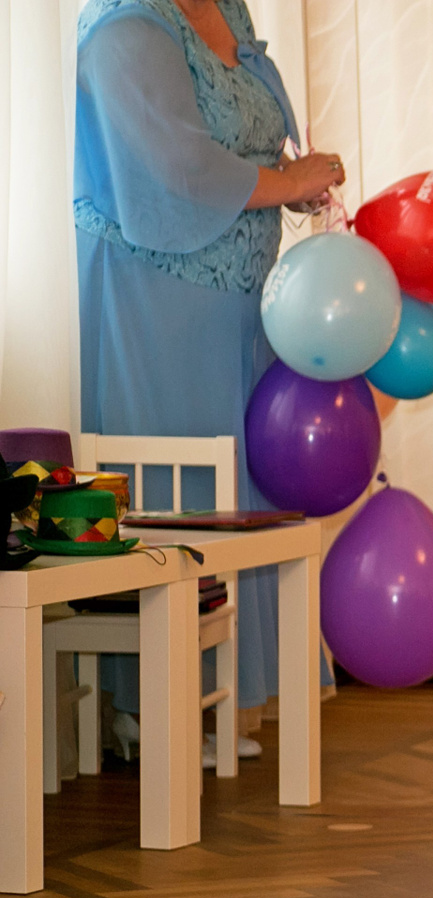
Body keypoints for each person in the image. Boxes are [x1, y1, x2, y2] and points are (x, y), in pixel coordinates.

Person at [73, 0, 344, 761]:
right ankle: (151, 709)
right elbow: (174, 169)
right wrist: (283, 182)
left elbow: (247, 130)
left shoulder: (227, 6)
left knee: (241, 485)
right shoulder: (124, 22)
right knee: (181, 490)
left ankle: (224, 694)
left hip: (246, 297)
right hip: (158, 293)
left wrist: (294, 182)